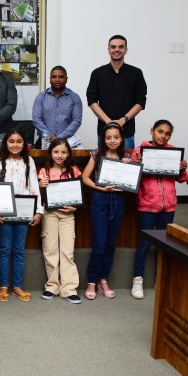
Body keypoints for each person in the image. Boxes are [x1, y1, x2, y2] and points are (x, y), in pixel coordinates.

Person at [130, 120, 188, 299]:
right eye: (160, 131)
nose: (163, 136)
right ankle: (137, 279)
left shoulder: (173, 151)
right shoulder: (140, 150)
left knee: (164, 244)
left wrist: (182, 169)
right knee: (144, 244)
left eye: (167, 133)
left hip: (168, 206)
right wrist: (137, 163)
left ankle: (160, 278)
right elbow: (132, 177)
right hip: (147, 205)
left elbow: (181, 179)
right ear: (152, 131)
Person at [0, 129, 43, 303]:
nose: (15, 145)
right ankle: (3, 286)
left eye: (19, 141)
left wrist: (39, 211)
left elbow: (34, 186)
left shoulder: (29, 161)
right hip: (3, 213)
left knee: (19, 250)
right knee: (5, 249)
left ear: (24, 143)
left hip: (24, 213)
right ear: (5, 142)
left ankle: (17, 286)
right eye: (11, 141)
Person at [81, 122, 128, 300]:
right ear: (103, 139)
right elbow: (84, 177)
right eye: (108, 137)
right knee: (99, 244)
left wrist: (129, 165)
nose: (112, 140)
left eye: (116, 137)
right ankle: (92, 281)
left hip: (118, 201)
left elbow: (131, 181)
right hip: (100, 201)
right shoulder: (97, 154)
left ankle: (103, 279)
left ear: (122, 138)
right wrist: (101, 188)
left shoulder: (126, 157)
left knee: (110, 244)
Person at [38, 138, 82, 303]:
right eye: (56, 152)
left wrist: (74, 207)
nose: (60, 155)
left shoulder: (74, 171)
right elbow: (38, 196)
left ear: (68, 153)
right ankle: (52, 286)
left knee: (67, 251)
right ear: (50, 153)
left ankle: (69, 289)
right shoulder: (44, 171)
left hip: (68, 216)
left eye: (63, 152)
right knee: (50, 250)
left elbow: (79, 196)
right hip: (50, 214)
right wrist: (41, 185)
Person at [86, 35, 147, 149]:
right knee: (103, 164)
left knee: (127, 164)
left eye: (121, 47)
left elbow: (141, 101)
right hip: (104, 131)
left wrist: (123, 120)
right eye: (113, 47)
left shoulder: (136, 73)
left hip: (127, 131)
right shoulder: (97, 73)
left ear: (126, 50)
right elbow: (92, 101)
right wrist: (108, 121)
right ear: (108, 49)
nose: (117, 50)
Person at [31, 65, 83, 148]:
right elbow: (36, 119)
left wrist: (60, 137)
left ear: (66, 79)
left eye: (61, 77)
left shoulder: (74, 98)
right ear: (50, 79)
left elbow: (76, 121)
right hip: (44, 141)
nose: (57, 80)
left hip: (67, 142)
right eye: (54, 77)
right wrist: (48, 136)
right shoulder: (41, 97)